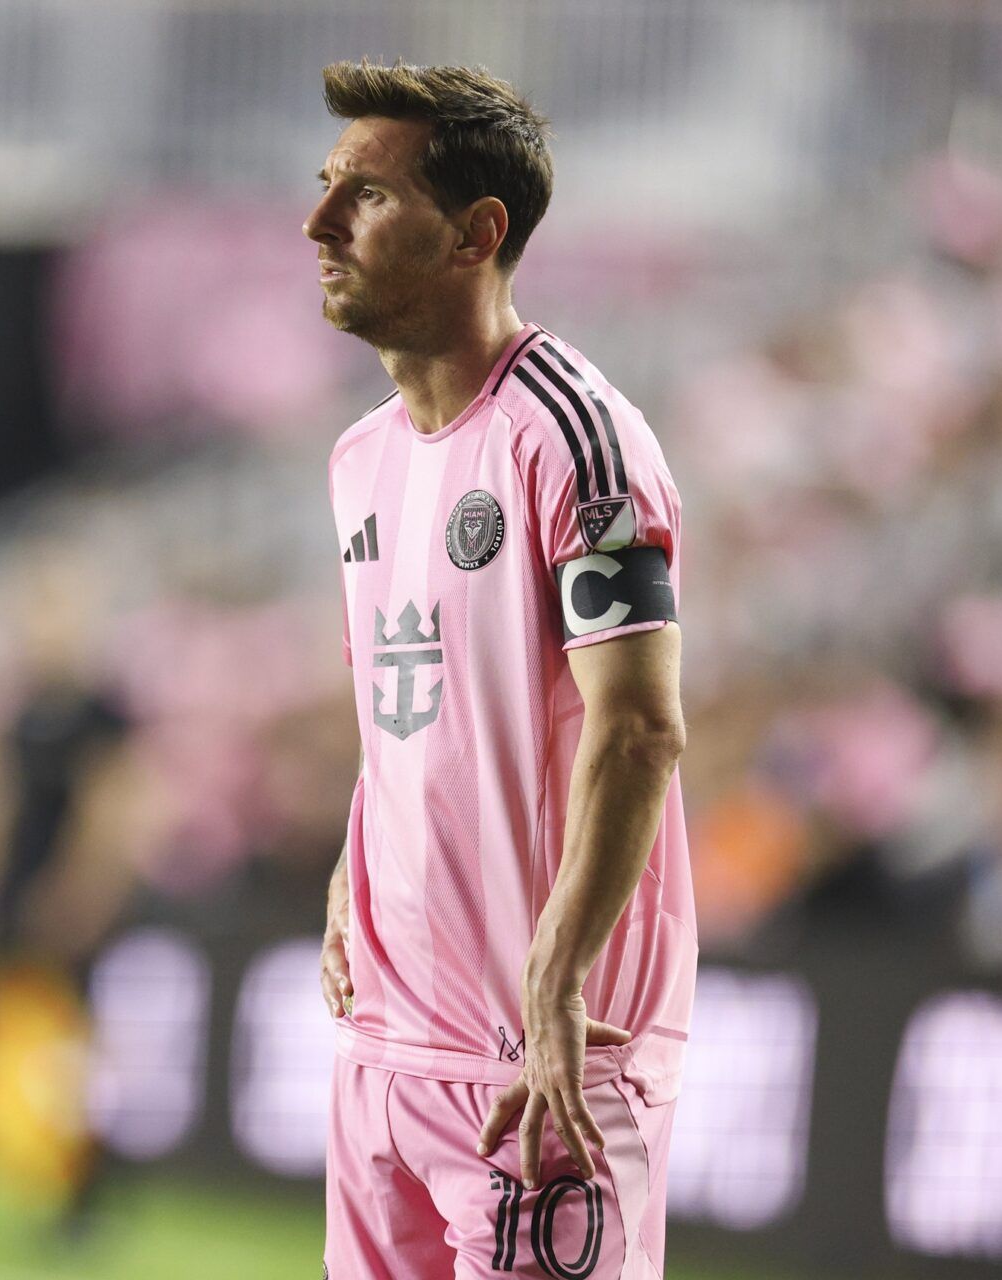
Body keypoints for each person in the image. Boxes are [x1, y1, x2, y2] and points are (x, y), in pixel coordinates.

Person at [308, 61, 695, 1279]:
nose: (319, 223)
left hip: (534, 1060)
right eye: (327, 188)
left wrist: (558, 973)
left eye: (364, 196)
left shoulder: (575, 434)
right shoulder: (359, 459)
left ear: (478, 233)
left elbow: (638, 730)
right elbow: (420, 708)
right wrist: (352, 856)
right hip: (386, 1041)